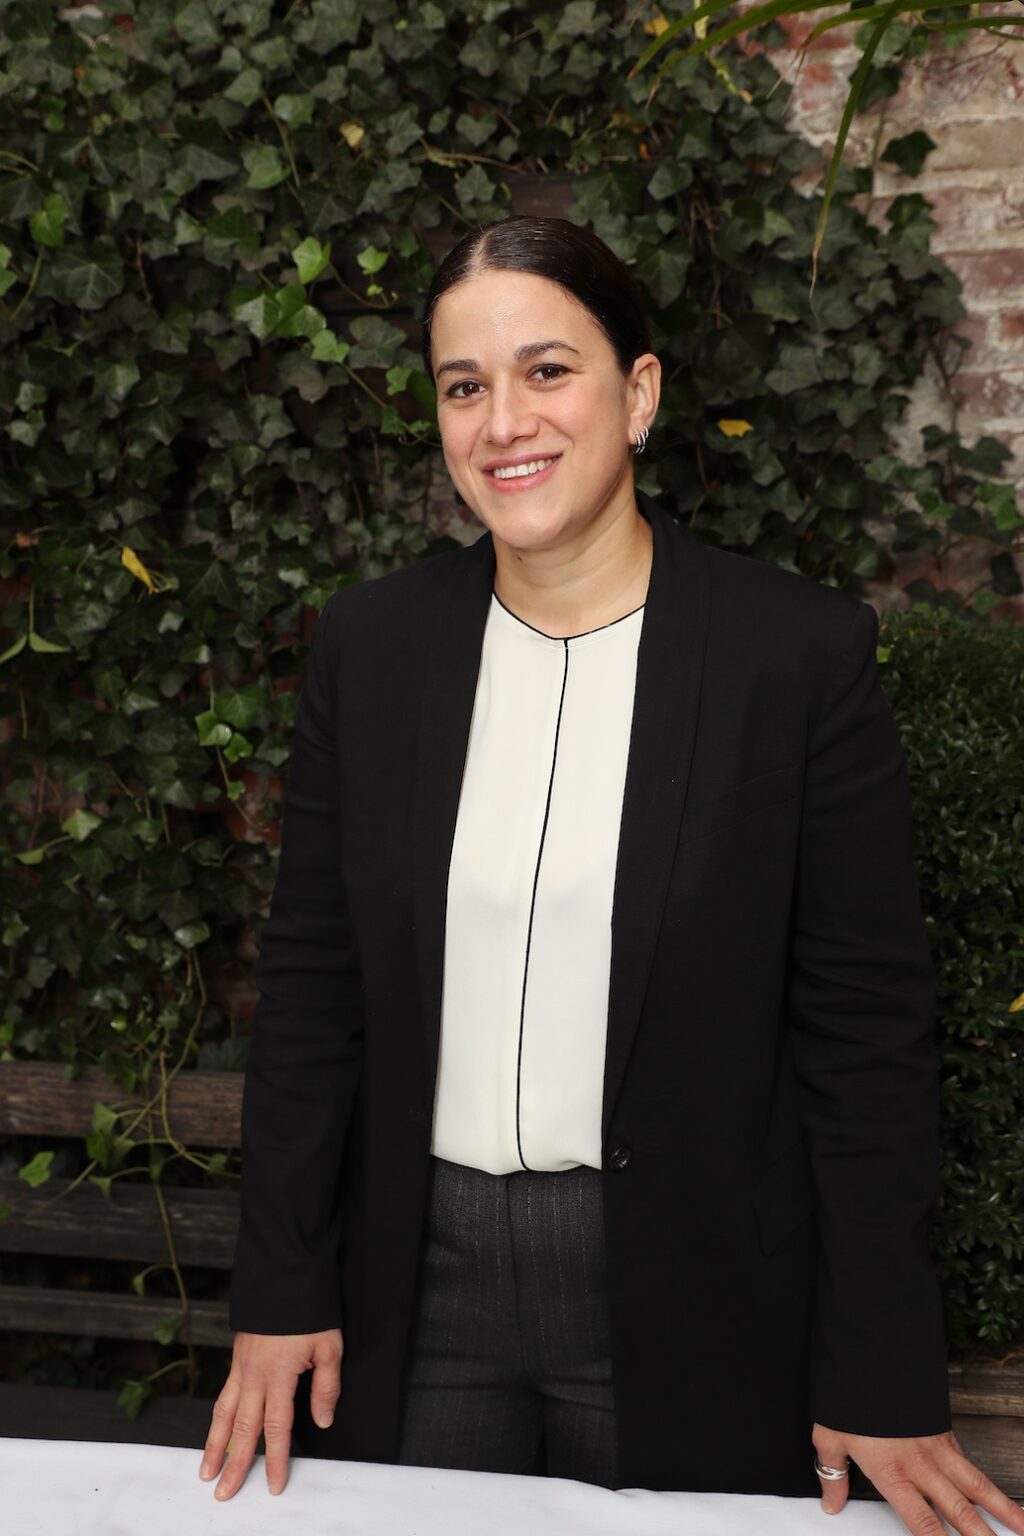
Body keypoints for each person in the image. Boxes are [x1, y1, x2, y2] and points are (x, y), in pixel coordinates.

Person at [199, 216, 1024, 1535]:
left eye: (547, 371)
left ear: (638, 395)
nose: (502, 422)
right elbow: (313, 997)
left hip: (699, 1293)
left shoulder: (795, 663)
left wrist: (876, 1361)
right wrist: (282, 1284)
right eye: (464, 386)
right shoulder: (374, 649)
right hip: (423, 1287)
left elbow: (866, 1043)